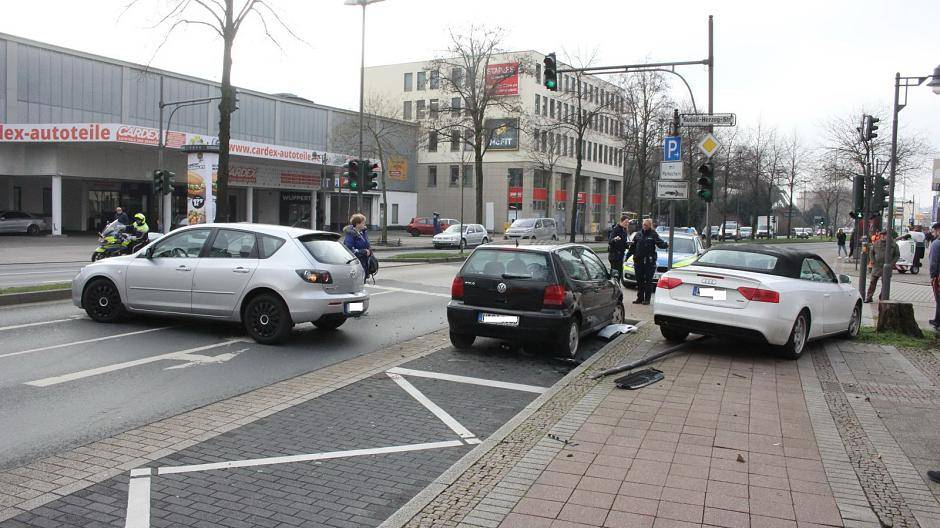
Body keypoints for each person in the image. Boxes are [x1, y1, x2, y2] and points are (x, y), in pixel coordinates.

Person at [624, 218, 667, 305]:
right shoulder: (638, 234)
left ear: (650, 225)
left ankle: (647, 299)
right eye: (643, 225)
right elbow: (633, 247)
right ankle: (640, 298)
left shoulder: (653, 234)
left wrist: (665, 245)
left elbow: (660, 243)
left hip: (649, 262)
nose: (644, 226)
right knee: (639, 280)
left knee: (648, 281)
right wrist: (627, 256)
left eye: (646, 225)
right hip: (638, 261)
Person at [865, 228, 900, 303]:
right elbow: (871, 253)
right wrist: (873, 261)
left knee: (885, 283)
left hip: (887, 267)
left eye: (885, 235)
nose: (883, 236)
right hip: (877, 266)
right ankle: (869, 297)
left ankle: (882, 297)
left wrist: (892, 263)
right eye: (882, 235)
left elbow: (897, 255)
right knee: (872, 282)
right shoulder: (876, 243)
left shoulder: (893, 244)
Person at [343, 213, 372, 280]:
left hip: (364, 262)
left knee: (363, 281)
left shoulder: (363, 233)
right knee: (358, 282)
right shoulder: (350, 235)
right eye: (363, 223)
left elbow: (367, 245)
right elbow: (349, 250)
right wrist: (364, 252)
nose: (364, 224)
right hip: (356, 264)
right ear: (357, 224)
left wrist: (369, 251)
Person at [607, 215, 630, 283]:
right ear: (621, 221)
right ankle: (614, 285)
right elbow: (610, 241)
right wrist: (615, 239)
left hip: (620, 255)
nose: (627, 224)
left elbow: (623, 243)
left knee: (619, 273)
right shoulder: (616, 229)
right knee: (615, 273)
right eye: (625, 222)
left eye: (628, 222)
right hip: (614, 255)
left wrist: (628, 244)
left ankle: (617, 285)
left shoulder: (624, 230)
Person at [928, 222, 940, 329]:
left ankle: (938, 321)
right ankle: (937, 319)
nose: (934, 233)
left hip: (938, 276)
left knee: (938, 297)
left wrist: (933, 276)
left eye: (934, 231)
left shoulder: (936, 243)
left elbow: (933, 262)